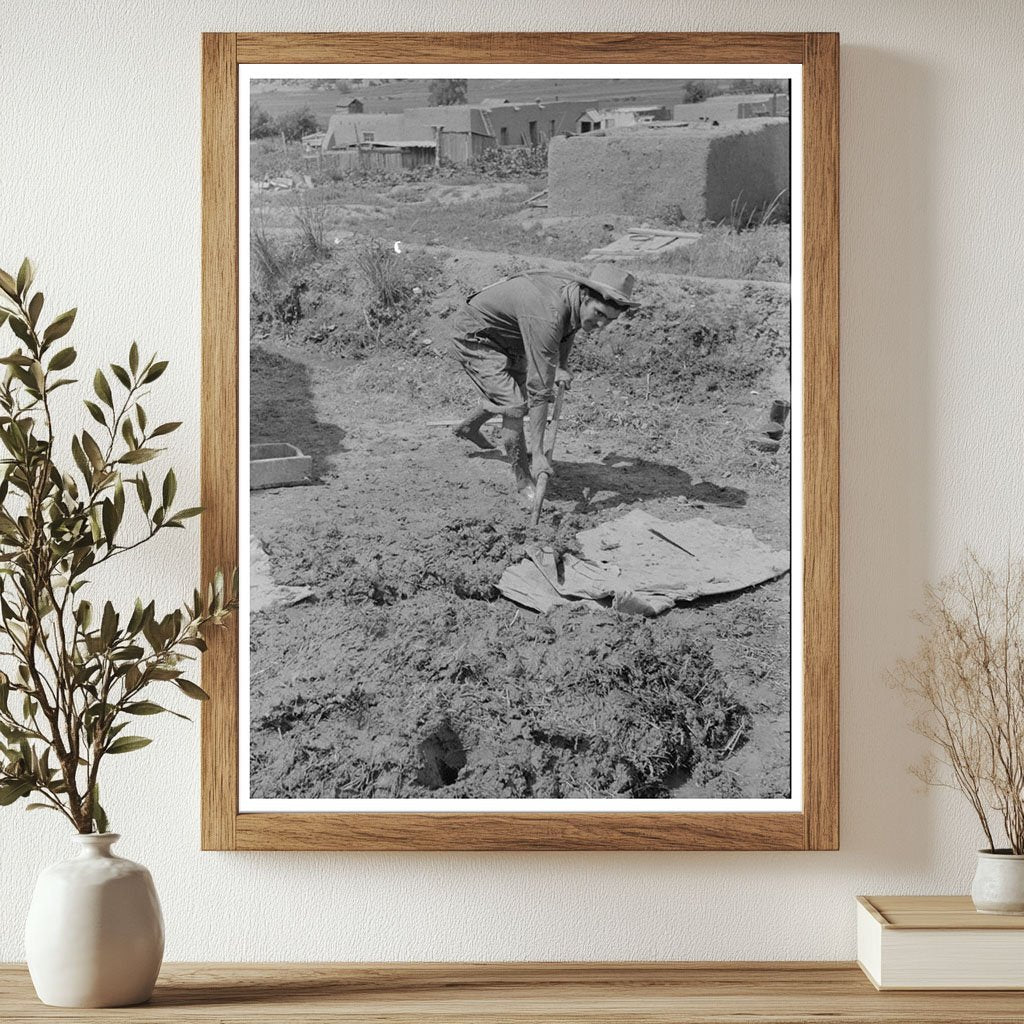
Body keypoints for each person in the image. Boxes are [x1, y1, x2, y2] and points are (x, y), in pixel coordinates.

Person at [451, 264, 639, 503]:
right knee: (514, 404)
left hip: (512, 336)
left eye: (610, 320)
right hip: (477, 336)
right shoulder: (547, 312)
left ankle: (468, 427)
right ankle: (522, 479)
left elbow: (568, 328)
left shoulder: (572, 301)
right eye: (599, 314)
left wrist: (560, 365)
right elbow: (540, 387)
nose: (601, 324)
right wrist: (538, 453)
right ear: (584, 296)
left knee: (514, 395)